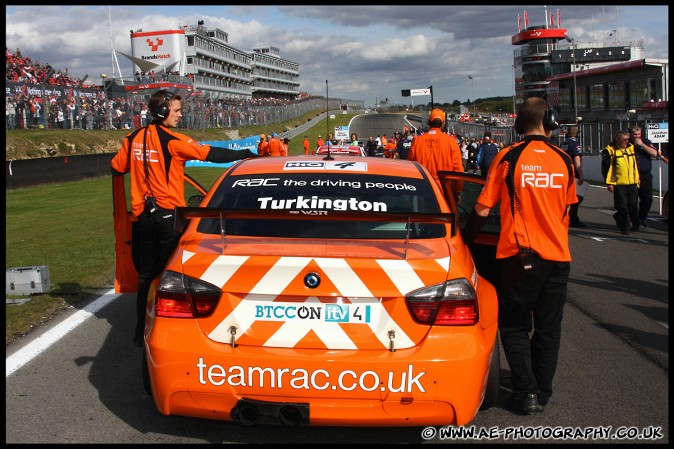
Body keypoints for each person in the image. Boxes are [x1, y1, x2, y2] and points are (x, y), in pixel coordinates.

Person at [110, 89, 258, 346]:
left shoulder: (132, 138)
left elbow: (116, 167)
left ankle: (139, 330)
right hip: (169, 216)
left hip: (142, 217)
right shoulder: (173, 141)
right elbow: (209, 153)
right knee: (174, 273)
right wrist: (243, 153)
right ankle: (171, 329)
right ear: (162, 112)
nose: (180, 115)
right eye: (177, 111)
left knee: (146, 275)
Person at [463, 97, 576, 415]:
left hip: (518, 257)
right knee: (549, 329)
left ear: (517, 124)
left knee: (513, 327)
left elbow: (482, 209)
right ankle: (543, 391)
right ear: (550, 122)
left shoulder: (509, 158)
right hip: (558, 258)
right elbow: (567, 209)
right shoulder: (564, 159)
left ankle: (525, 392)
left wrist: (465, 241)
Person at [407, 108, 464, 187]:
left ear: (428, 122)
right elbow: (458, 168)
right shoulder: (451, 142)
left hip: (422, 185)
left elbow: (410, 166)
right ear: (443, 123)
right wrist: (458, 189)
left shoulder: (417, 141)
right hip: (444, 187)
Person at [604, 130, 640, 234]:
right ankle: (625, 227)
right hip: (619, 184)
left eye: (628, 139)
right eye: (625, 139)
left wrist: (637, 178)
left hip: (632, 182)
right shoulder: (610, 150)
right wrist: (609, 183)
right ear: (618, 139)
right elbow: (606, 169)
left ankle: (635, 223)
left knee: (633, 205)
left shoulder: (631, 148)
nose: (627, 141)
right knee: (622, 205)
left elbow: (635, 165)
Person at [630, 125, 661, 227]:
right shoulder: (627, 143)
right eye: (635, 134)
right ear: (631, 134)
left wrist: (642, 145)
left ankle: (642, 217)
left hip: (645, 175)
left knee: (647, 199)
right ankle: (634, 221)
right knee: (632, 201)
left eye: (639, 134)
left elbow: (655, 153)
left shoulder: (645, 141)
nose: (637, 136)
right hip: (632, 176)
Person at [561, 126, 587, 227]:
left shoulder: (563, 144)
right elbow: (577, 160)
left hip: (564, 172)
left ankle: (567, 216)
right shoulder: (575, 144)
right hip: (573, 173)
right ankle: (573, 218)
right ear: (576, 134)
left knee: (566, 196)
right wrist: (581, 174)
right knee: (577, 197)